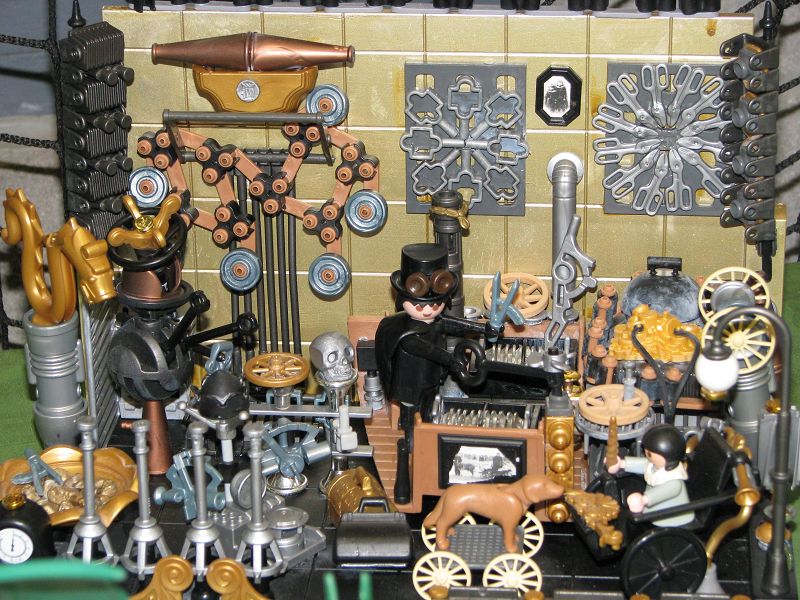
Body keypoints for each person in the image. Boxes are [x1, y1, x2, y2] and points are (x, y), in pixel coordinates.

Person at [375, 243, 501, 502]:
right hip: (409, 385)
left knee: (428, 412)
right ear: (403, 301)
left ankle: (427, 441)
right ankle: (409, 447)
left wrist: (481, 328)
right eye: (419, 305)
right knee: (410, 419)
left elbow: (452, 324)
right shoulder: (406, 335)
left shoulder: (434, 322)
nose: (428, 310)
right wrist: (454, 362)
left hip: (430, 381)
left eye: (435, 304)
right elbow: (429, 351)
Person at [607, 423, 694, 527]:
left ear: (666, 456)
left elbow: (663, 492)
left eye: (649, 454)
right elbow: (644, 464)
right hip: (653, 509)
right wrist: (622, 464)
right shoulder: (655, 465)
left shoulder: (674, 480)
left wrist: (644, 499)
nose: (647, 455)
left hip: (669, 516)